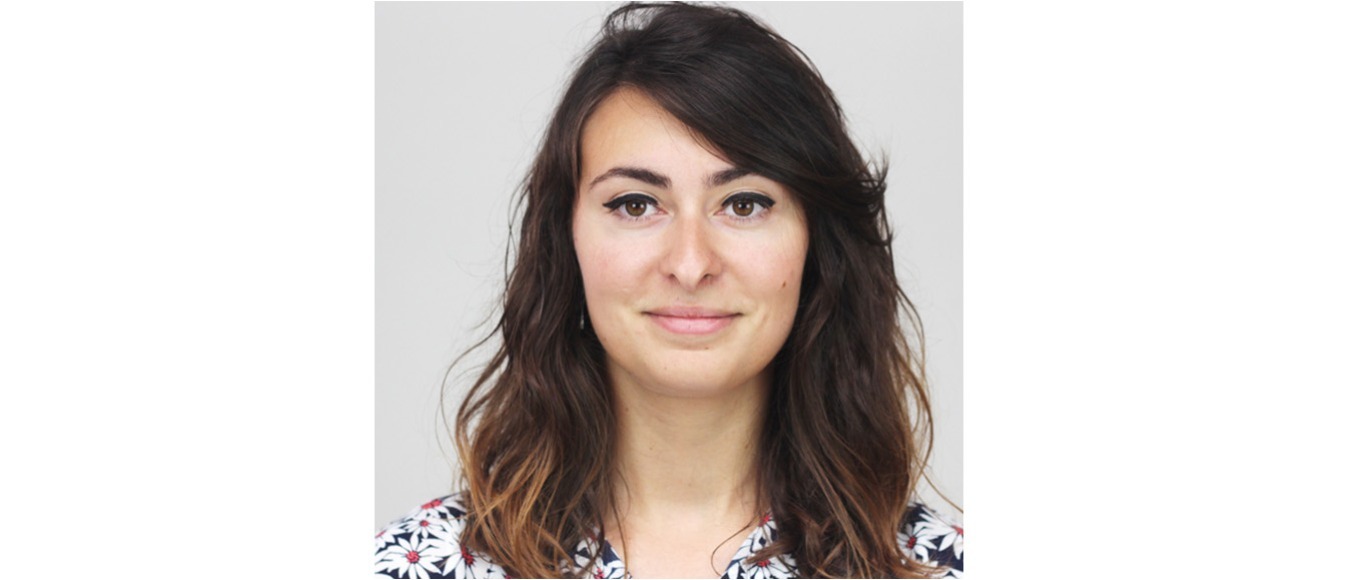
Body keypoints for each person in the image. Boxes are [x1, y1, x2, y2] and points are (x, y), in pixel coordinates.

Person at [376, 2, 963, 578]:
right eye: (636, 205)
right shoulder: (410, 565)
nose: (690, 264)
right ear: (566, 238)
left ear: (817, 242)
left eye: (744, 204)